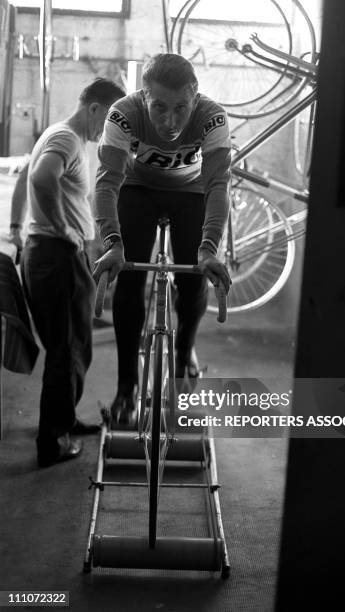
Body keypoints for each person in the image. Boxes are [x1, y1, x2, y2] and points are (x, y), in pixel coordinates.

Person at [92, 53, 232, 420]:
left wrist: (209, 248)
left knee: (193, 282)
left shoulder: (212, 115)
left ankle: (183, 357)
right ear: (143, 96)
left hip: (191, 193)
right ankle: (127, 386)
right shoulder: (123, 112)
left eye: (181, 108)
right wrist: (112, 243)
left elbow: (218, 185)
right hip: (138, 189)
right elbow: (107, 183)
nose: (171, 122)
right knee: (129, 279)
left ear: (195, 95)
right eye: (159, 108)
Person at [16, 78, 125, 467]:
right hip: (56, 256)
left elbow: (25, 172)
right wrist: (63, 229)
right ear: (94, 108)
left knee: (74, 346)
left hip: (50, 254)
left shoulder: (60, 135)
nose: (108, 129)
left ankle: (64, 420)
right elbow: (40, 177)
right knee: (68, 351)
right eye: (109, 118)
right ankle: (53, 442)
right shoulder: (66, 138)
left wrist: (17, 227)